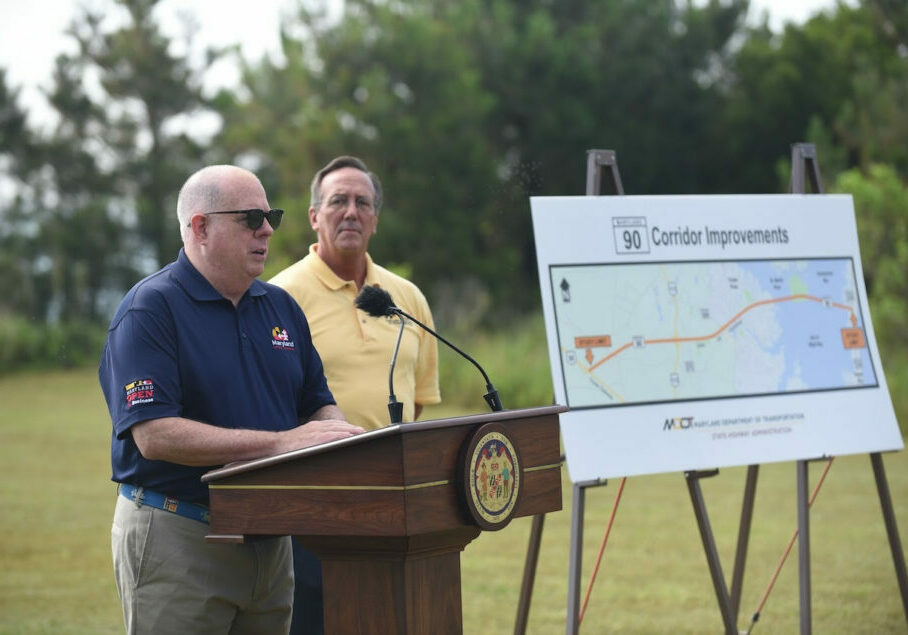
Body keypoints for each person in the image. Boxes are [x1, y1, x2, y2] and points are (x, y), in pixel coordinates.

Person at [99, 164, 363, 634]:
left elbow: (316, 401)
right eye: (250, 218)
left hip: (271, 542)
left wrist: (337, 435)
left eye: (271, 217)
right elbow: (155, 435)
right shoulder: (150, 309)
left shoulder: (279, 306)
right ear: (200, 227)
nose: (266, 230)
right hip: (180, 534)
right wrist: (281, 444)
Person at [269, 155, 441, 634]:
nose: (351, 212)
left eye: (362, 202)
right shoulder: (279, 297)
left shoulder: (406, 297)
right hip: (310, 502)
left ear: (375, 219)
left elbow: (418, 399)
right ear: (313, 216)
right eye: (338, 201)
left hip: (392, 497)